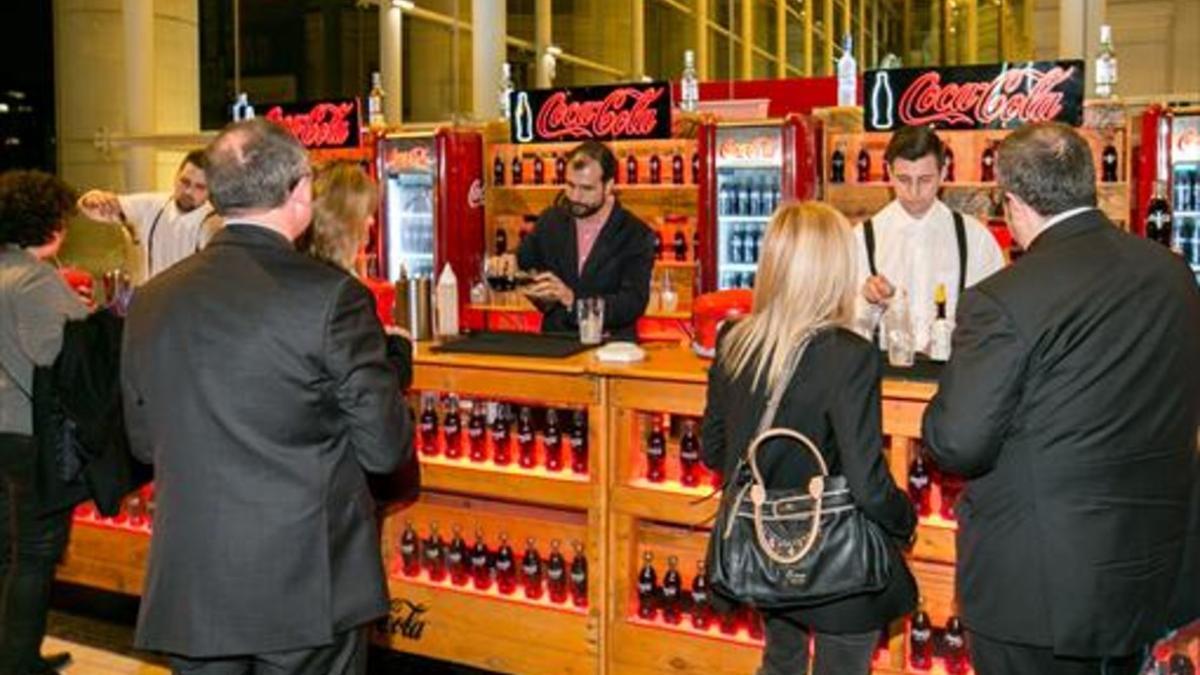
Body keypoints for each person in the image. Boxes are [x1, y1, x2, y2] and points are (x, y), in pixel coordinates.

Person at [120, 118, 414, 674]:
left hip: (193, 581)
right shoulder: (332, 297)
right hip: (307, 584)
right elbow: (383, 448)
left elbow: (143, 442)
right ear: (299, 192)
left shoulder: (152, 300)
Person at [921, 122, 1200, 675]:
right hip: (1148, 569)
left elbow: (958, 445)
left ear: (1013, 202)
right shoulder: (1174, 276)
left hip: (1037, 589)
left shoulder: (1004, 299)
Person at [700, 201, 917, 675]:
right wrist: (904, 521)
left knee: (780, 663)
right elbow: (867, 481)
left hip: (768, 551)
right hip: (838, 564)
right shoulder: (849, 355)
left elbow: (712, 450)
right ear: (835, 269)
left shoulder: (734, 339)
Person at [0, 170, 88, 675]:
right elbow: (48, 352)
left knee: (8, 549)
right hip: (27, 432)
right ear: (48, 222)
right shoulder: (33, 278)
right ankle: (19, 662)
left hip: (2, 429)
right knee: (35, 553)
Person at [854, 125, 1005, 352]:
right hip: (884, 375)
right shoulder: (861, 239)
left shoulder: (976, 239)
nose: (914, 192)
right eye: (903, 179)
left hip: (958, 373)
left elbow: (994, 318)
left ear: (943, 173)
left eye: (925, 180)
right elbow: (847, 327)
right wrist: (867, 302)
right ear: (889, 172)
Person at [490, 140, 655, 341]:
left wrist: (572, 301)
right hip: (556, 345)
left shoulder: (635, 233)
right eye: (570, 185)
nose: (575, 197)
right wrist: (508, 262)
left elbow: (632, 303)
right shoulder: (551, 220)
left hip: (611, 350)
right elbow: (524, 258)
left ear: (609, 186)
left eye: (586, 189)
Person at [76, 150, 221, 282]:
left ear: (211, 190)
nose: (189, 191)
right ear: (176, 176)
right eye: (185, 182)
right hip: (151, 301)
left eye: (200, 187)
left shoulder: (213, 224)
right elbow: (96, 209)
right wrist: (93, 198)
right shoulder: (154, 205)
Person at [301, 161, 378, 276]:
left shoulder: (311, 268)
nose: (372, 221)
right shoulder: (338, 283)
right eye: (366, 212)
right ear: (345, 218)